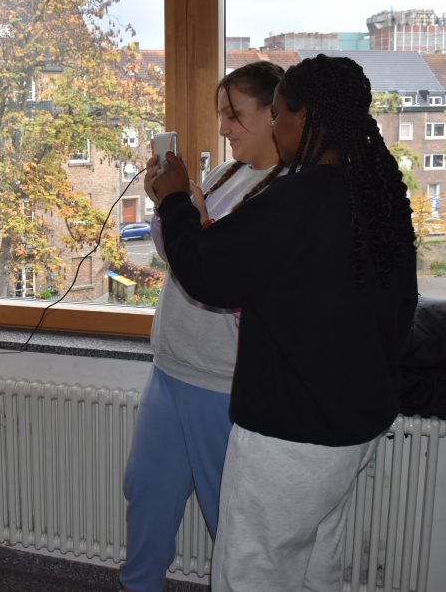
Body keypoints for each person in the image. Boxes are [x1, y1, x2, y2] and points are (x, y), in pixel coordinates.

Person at [149, 54, 418, 591]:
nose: (274, 126)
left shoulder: (299, 198)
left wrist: (175, 198)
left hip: (292, 436)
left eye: (278, 115)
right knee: (318, 563)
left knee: (251, 571)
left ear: (306, 116)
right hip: (352, 427)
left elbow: (206, 270)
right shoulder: (376, 197)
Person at [120, 61, 285, 592]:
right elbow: (182, 260)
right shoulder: (222, 176)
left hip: (224, 383)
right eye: (221, 115)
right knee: (146, 493)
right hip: (172, 366)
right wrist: (167, 206)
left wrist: (183, 208)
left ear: (274, 112)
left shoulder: (288, 193)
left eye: (235, 115)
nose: (224, 128)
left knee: (229, 521)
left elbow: (224, 272)